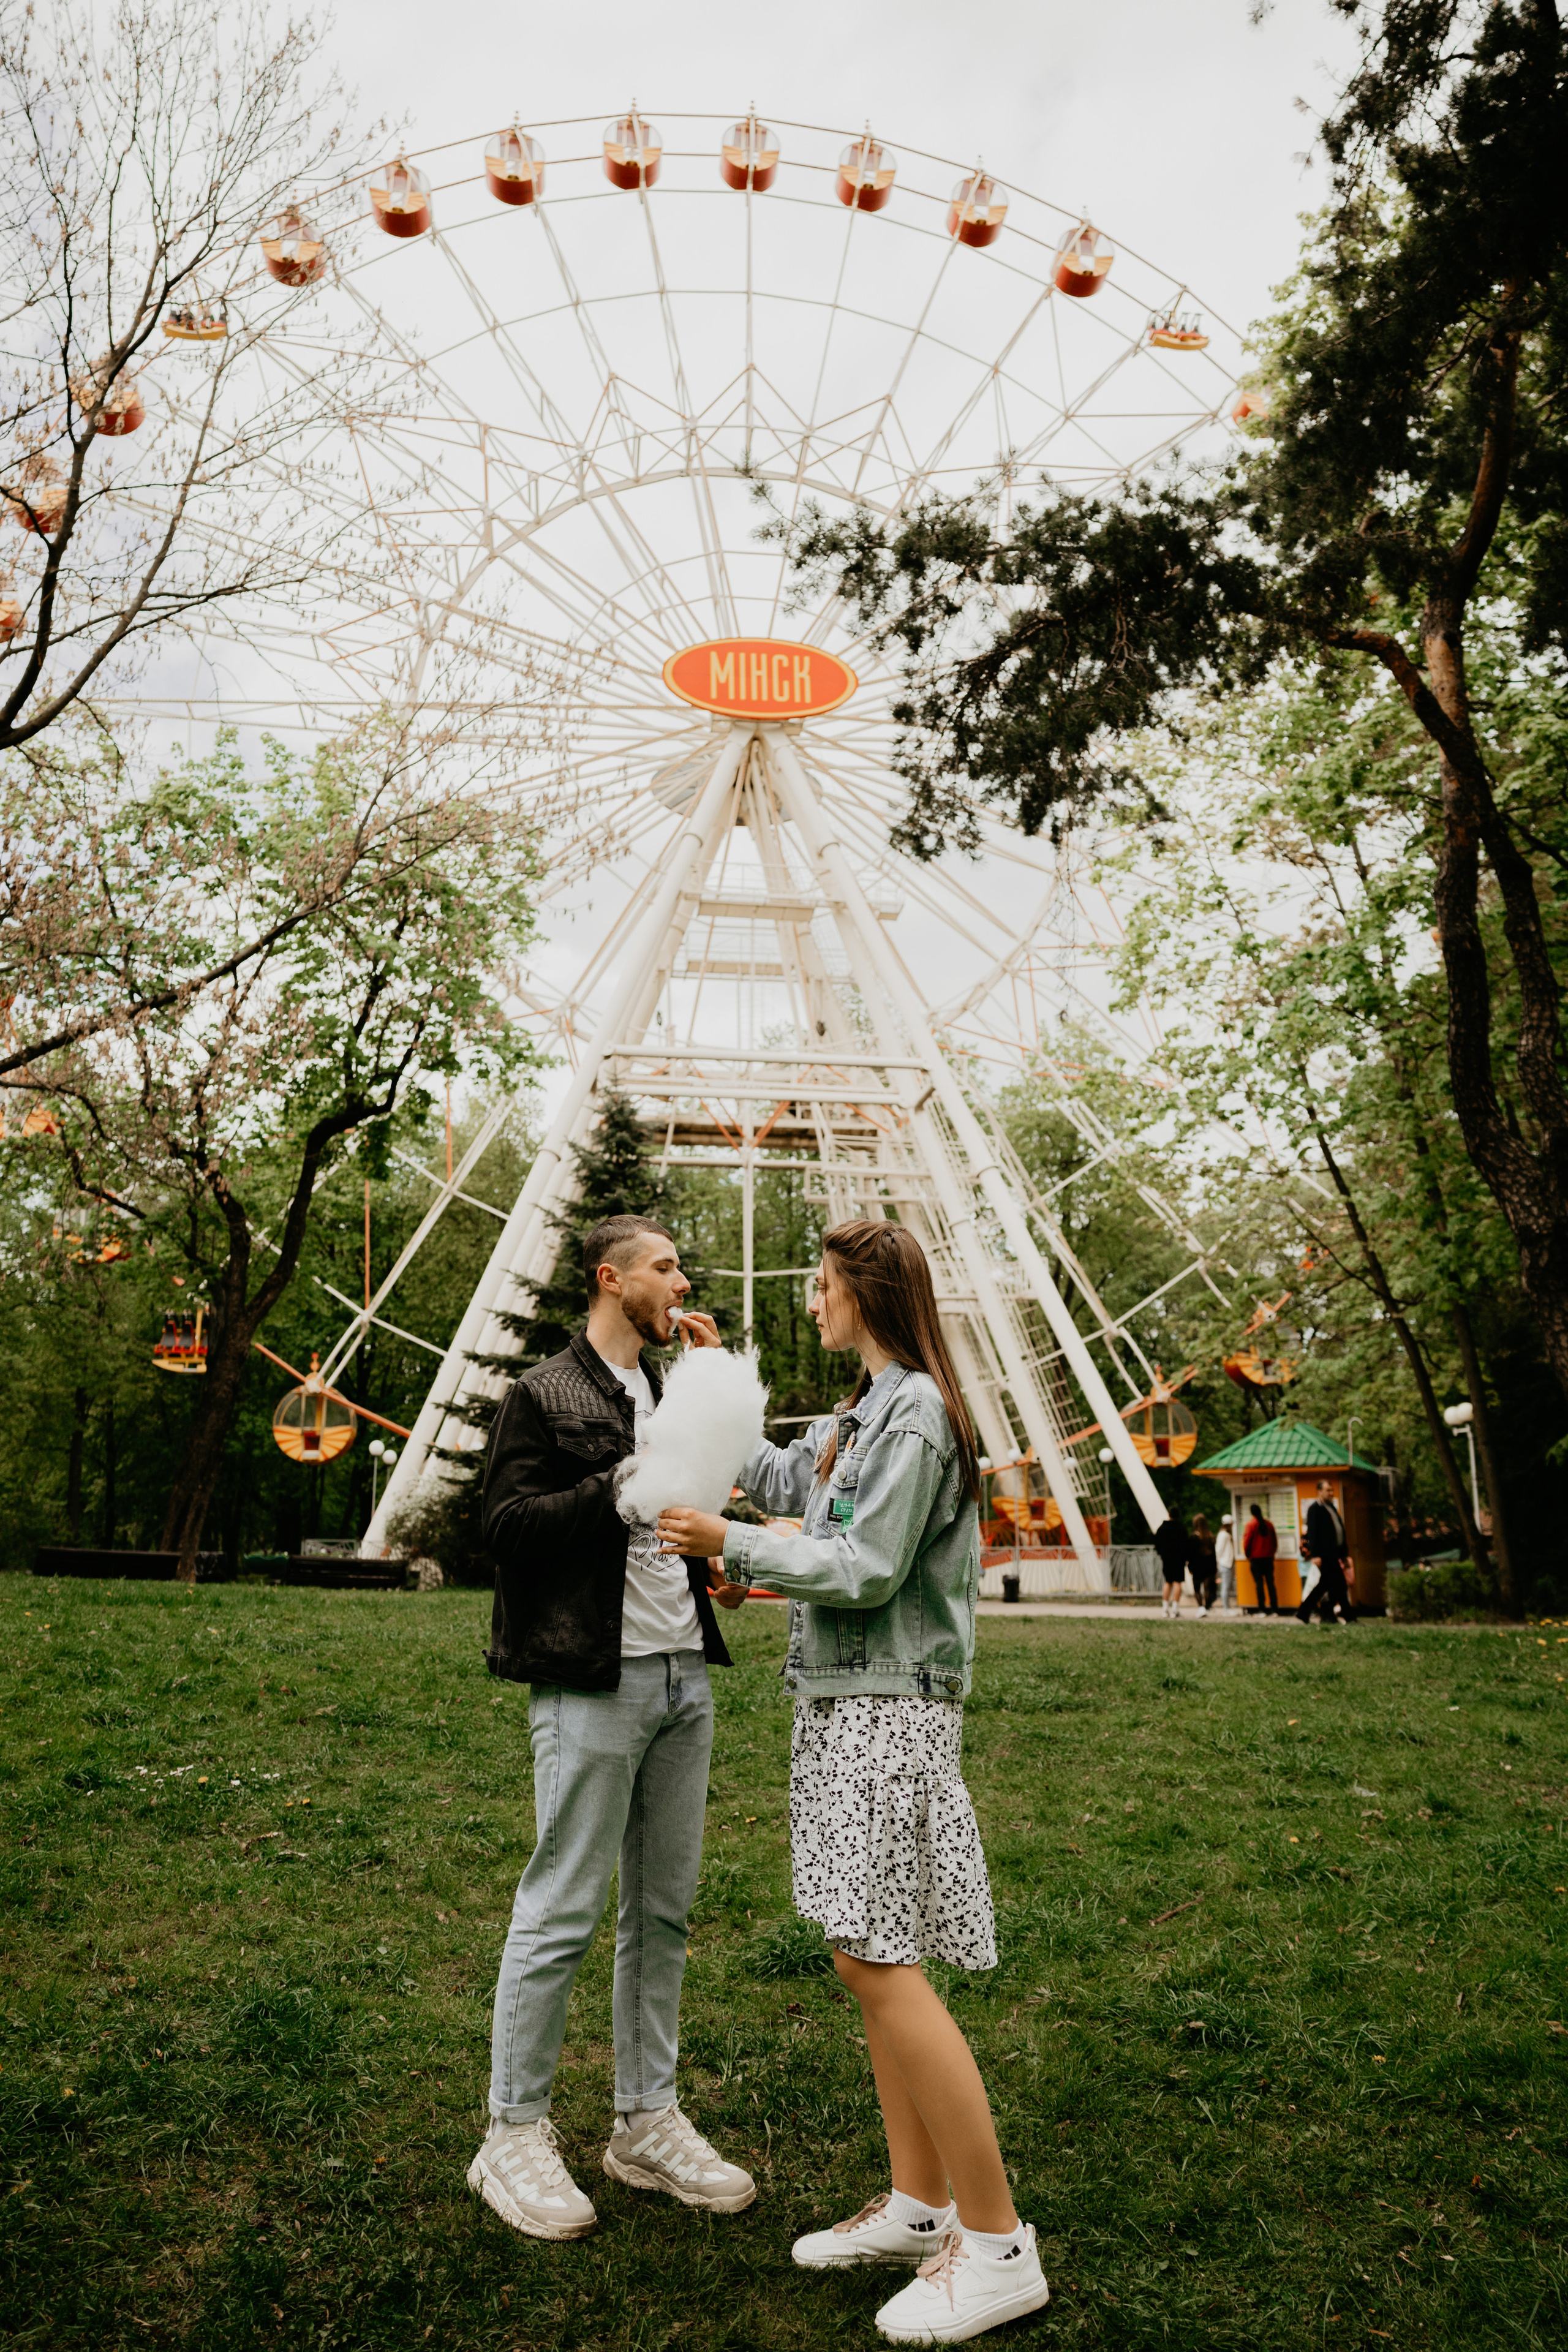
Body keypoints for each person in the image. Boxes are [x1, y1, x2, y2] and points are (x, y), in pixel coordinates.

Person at [657, 1221, 1051, 2345]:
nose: (814, 1304)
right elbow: (790, 1478)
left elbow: (869, 1566)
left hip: (891, 1709)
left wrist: (732, 1547)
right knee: (863, 1950)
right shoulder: (860, 1416)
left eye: (821, 1286)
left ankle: (1000, 2244)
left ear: (864, 1292)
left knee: (882, 1960)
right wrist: (713, 1375)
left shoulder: (919, 1410)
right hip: (843, 1701)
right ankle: (923, 2209)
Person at [466, 1215, 755, 2241]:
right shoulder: (544, 1394)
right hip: (592, 1677)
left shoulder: (675, 1390)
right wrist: (617, 1490)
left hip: (683, 1672)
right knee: (562, 1906)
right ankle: (513, 2132)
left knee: (664, 1913)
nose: (681, 1280)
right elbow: (501, 1530)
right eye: (665, 1266)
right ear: (612, 1279)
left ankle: (645, 2122)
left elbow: (710, 1504)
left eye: (681, 1266)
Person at [1298, 1480, 1355, 1627]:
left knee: (1330, 1585)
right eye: (1328, 1490)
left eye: (1332, 1491)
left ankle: (1305, 1612)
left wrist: (1344, 1554)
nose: (1331, 1493)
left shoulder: (1331, 1508)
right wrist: (1316, 1555)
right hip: (1324, 1554)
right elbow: (1313, 1533)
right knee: (1336, 1585)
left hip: (1334, 1554)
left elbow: (1339, 1532)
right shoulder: (1315, 1509)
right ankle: (1348, 1617)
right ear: (1319, 1491)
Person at [1243, 1502, 1279, 1613]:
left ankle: (1262, 1609)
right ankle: (1274, 1608)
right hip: (1268, 1558)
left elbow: (1247, 1542)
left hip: (1256, 1559)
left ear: (1252, 1513)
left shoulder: (1251, 1525)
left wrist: (1248, 1555)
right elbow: (1274, 1542)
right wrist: (1272, 1553)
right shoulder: (1269, 1525)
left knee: (1259, 1584)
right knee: (1270, 1583)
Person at [1154, 1508, 1188, 1619]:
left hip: (1167, 1559)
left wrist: (1162, 1554)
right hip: (1179, 1560)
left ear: (1169, 1514)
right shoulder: (1182, 1529)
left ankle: (1165, 1609)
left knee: (1168, 1582)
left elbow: (1157, 1545)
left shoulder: (1162, 1529)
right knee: (1178, 1583)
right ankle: (1175, 1610)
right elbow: (1186, 1545)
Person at [1188, 1513, 1218, 1616]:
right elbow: (1214, 1555)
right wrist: (1215, 1569)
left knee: (1197, 1589)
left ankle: (1201, 1608)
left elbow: (1190, 1555)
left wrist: (1190, 1567)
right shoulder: (1210, 1537)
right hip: (1209, 1566)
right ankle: (1207, 1607)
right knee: (1207, 1588)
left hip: (1197, 1566)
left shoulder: (1193, 1537)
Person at [1215, 1513, 1237, 1613]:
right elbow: (1219, 1550)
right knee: (1226, 1587)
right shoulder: (1224, 1535)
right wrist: (1218, 1563)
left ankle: (1227, 1608)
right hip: (1225, 1564)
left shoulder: (1224, 1534)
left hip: (1226, 1563)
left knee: (1226, 1586)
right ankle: (1226, 1609)